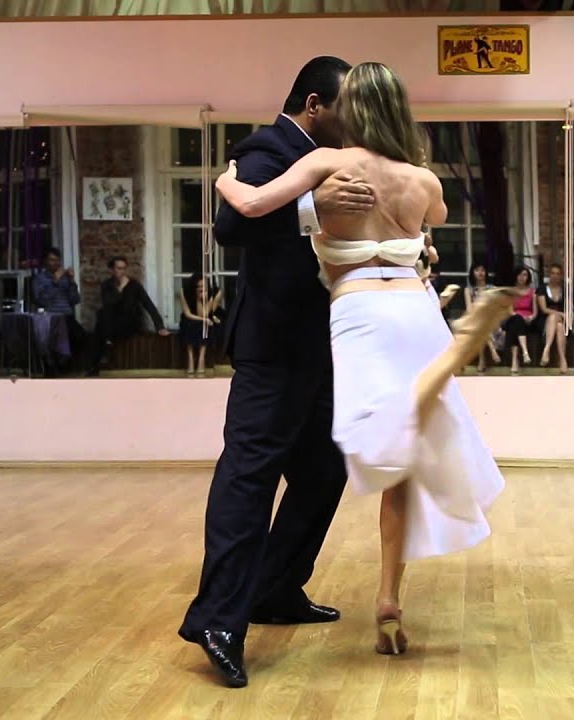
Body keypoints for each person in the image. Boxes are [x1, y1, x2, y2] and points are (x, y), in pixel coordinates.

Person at [215, 60, 516, 666]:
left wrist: (224, 179)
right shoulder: (423, 179)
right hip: (417, 310)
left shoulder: (327, 163)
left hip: (358, 314)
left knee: (374, 442)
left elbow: (246, 207)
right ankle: (386, 595)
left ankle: (448, 361)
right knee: (403, 453)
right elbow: (435, 225)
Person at [178, 55, 379, 689]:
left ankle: (274, 589)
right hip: (272, 350)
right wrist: (314, 207)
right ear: (316, 104)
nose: (358, 120)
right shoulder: (268, 146)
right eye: (347, 106)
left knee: (325, 470)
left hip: (320, 349)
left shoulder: (335, 155)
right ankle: (218, 621)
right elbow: (232, 221)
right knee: (250, 478)